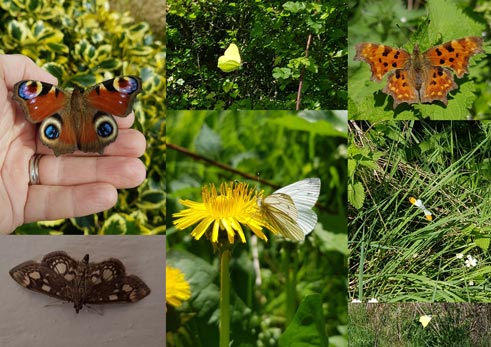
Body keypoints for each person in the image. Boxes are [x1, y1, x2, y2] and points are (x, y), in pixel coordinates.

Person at [0, 54, 147, 234]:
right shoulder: (96, 93)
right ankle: (91, 139)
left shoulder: (56, 95)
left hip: (61, 121)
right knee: (106, 128)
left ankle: (70, 140)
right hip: (91, 119)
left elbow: (29, 90)